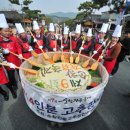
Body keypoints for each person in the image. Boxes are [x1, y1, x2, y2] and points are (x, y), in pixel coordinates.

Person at [0, 14, 22, 94]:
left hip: (16, 59)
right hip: (7, 62)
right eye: (5, 31)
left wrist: (20, 54)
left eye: (8, 31)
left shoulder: (13, 38)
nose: (7, 33)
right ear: (0, 31)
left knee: (20, 72)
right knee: (11, 76)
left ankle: (22, 83)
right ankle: (14, 85)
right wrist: (2, 51)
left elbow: (18, 47)